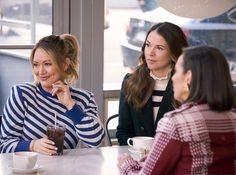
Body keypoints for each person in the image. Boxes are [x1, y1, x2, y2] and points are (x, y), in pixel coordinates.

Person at [118, 45, 236, 174]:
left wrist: (127, 164)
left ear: (188, 77)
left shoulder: (175, 123)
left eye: (177, 71)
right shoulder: (232, 119)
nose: (173, 77)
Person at [0, 34, 105, 155]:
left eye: (47, 64)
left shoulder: (84, 99)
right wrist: (33, 145)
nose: (40, 71)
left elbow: (96, 141)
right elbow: (4, 145)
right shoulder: (22, 94)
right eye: (36, 64)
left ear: (65, 64)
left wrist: (70, 105)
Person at [116, 22, 188, 145]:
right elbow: (123, 132)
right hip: (139, 158)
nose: (150, 53)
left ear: (174, 52)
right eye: (148, 45)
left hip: (175, 159)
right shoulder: (131, 81)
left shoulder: (186, 83)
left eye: (159, 48)